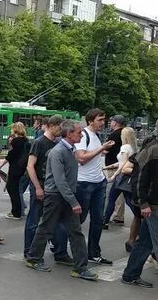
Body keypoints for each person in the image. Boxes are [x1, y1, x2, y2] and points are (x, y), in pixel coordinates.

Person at [25, 120, 98, 281]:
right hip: (56, 196)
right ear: (69, 134)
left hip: (64, 196)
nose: (81, 134)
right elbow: (60, 180)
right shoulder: (58, 152)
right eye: (79, 132)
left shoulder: (69, 149)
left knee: (75, 232)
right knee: (46, 228)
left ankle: (80, 267)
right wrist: (73, 201)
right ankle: (33, 258)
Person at [54, 109, 115, 265]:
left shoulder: (95, 136)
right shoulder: (83, 135)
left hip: (98, 182)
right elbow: (81, 158)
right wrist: (101, 149)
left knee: (98, 220)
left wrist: (101, 150)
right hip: (84, 183)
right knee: (76, 220)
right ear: (90, 121)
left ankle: (94, 252)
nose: (103, 123)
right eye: (100, 120)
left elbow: (91, 157)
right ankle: (59, 249)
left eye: (104, 119)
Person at [23, 115, 73, 264]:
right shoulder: (39, 142)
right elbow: (30, 165)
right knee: (34, 219)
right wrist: (37, 187)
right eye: (59, 127)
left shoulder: (58, 143)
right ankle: (29, 251)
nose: (61, 130)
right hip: (40, 184)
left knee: (56, 221)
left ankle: (59, 251)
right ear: (51, 126)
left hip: (53, 187)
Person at [121, 120, 158, 288]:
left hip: (152, 204)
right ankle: (130, 274)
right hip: (153, 205)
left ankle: (130, 274)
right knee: (151, 242)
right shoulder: (152, 149)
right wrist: (143, 204)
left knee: (145, 242)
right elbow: (138, 178)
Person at [103, 127, 140, 252]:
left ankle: (105, 220)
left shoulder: (124, 148)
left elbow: (123, 164)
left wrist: (114, 175)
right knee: (124, 199)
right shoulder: (133, 148)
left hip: (121, 178)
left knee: (112, 198)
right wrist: (109, 167)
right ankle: (106, 219)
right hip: (125, 179)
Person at [0, 122, 29, 219]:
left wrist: (0, 166)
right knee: (17, 189)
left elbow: (10, 156)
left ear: (15, 129)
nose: (11, 130)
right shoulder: (26, 141)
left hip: (15, 168)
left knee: (12, 189)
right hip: (23, 168)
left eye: (12, 129)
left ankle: (16, 212)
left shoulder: (15, 141)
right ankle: (19, 210)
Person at [105, 115, 126, 225]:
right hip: (123, 164)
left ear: (116, 123)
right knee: (120, 192)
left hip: (113, 165)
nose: (110, 123)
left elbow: (106, 150)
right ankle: (119, 215)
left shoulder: (113, 135)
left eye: (111, 121)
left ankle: (114, 215)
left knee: (113, 193)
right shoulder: (125, 133)